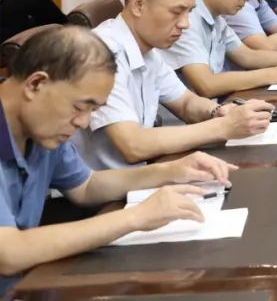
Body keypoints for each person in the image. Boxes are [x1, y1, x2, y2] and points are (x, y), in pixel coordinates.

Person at [0, 26, 235, 288]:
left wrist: (170, 171)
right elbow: (9, 253)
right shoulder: (45, 125)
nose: (83, 122)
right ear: (36, 84)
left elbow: (86, 186)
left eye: (93, 110)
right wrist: (135, 217)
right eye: (79, 107)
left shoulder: (41, 128)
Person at [72, 0, 276, 169]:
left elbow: (186, 103)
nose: (185, 24)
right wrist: (224, 127)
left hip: (140, 175)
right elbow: (133, 145)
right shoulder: (102, 53)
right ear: (139, 5)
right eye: (177, 12)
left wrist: (219, 112)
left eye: (189, 12)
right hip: (105, 186)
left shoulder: (149, 49)